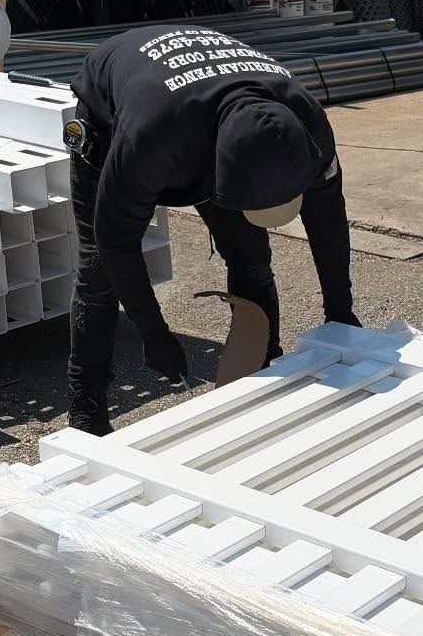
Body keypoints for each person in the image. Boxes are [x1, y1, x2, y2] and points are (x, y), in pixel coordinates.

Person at [64, 22, 359, 435]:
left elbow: (328, 220)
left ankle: (261, 363)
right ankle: (86, 407)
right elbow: (117, 243)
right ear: (224, 180)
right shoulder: (148, 140)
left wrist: (340, 312)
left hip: (202, 114)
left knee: (251, 256)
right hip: (117, 120)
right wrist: (154, 334)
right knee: (99, 273)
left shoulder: (307, 123)